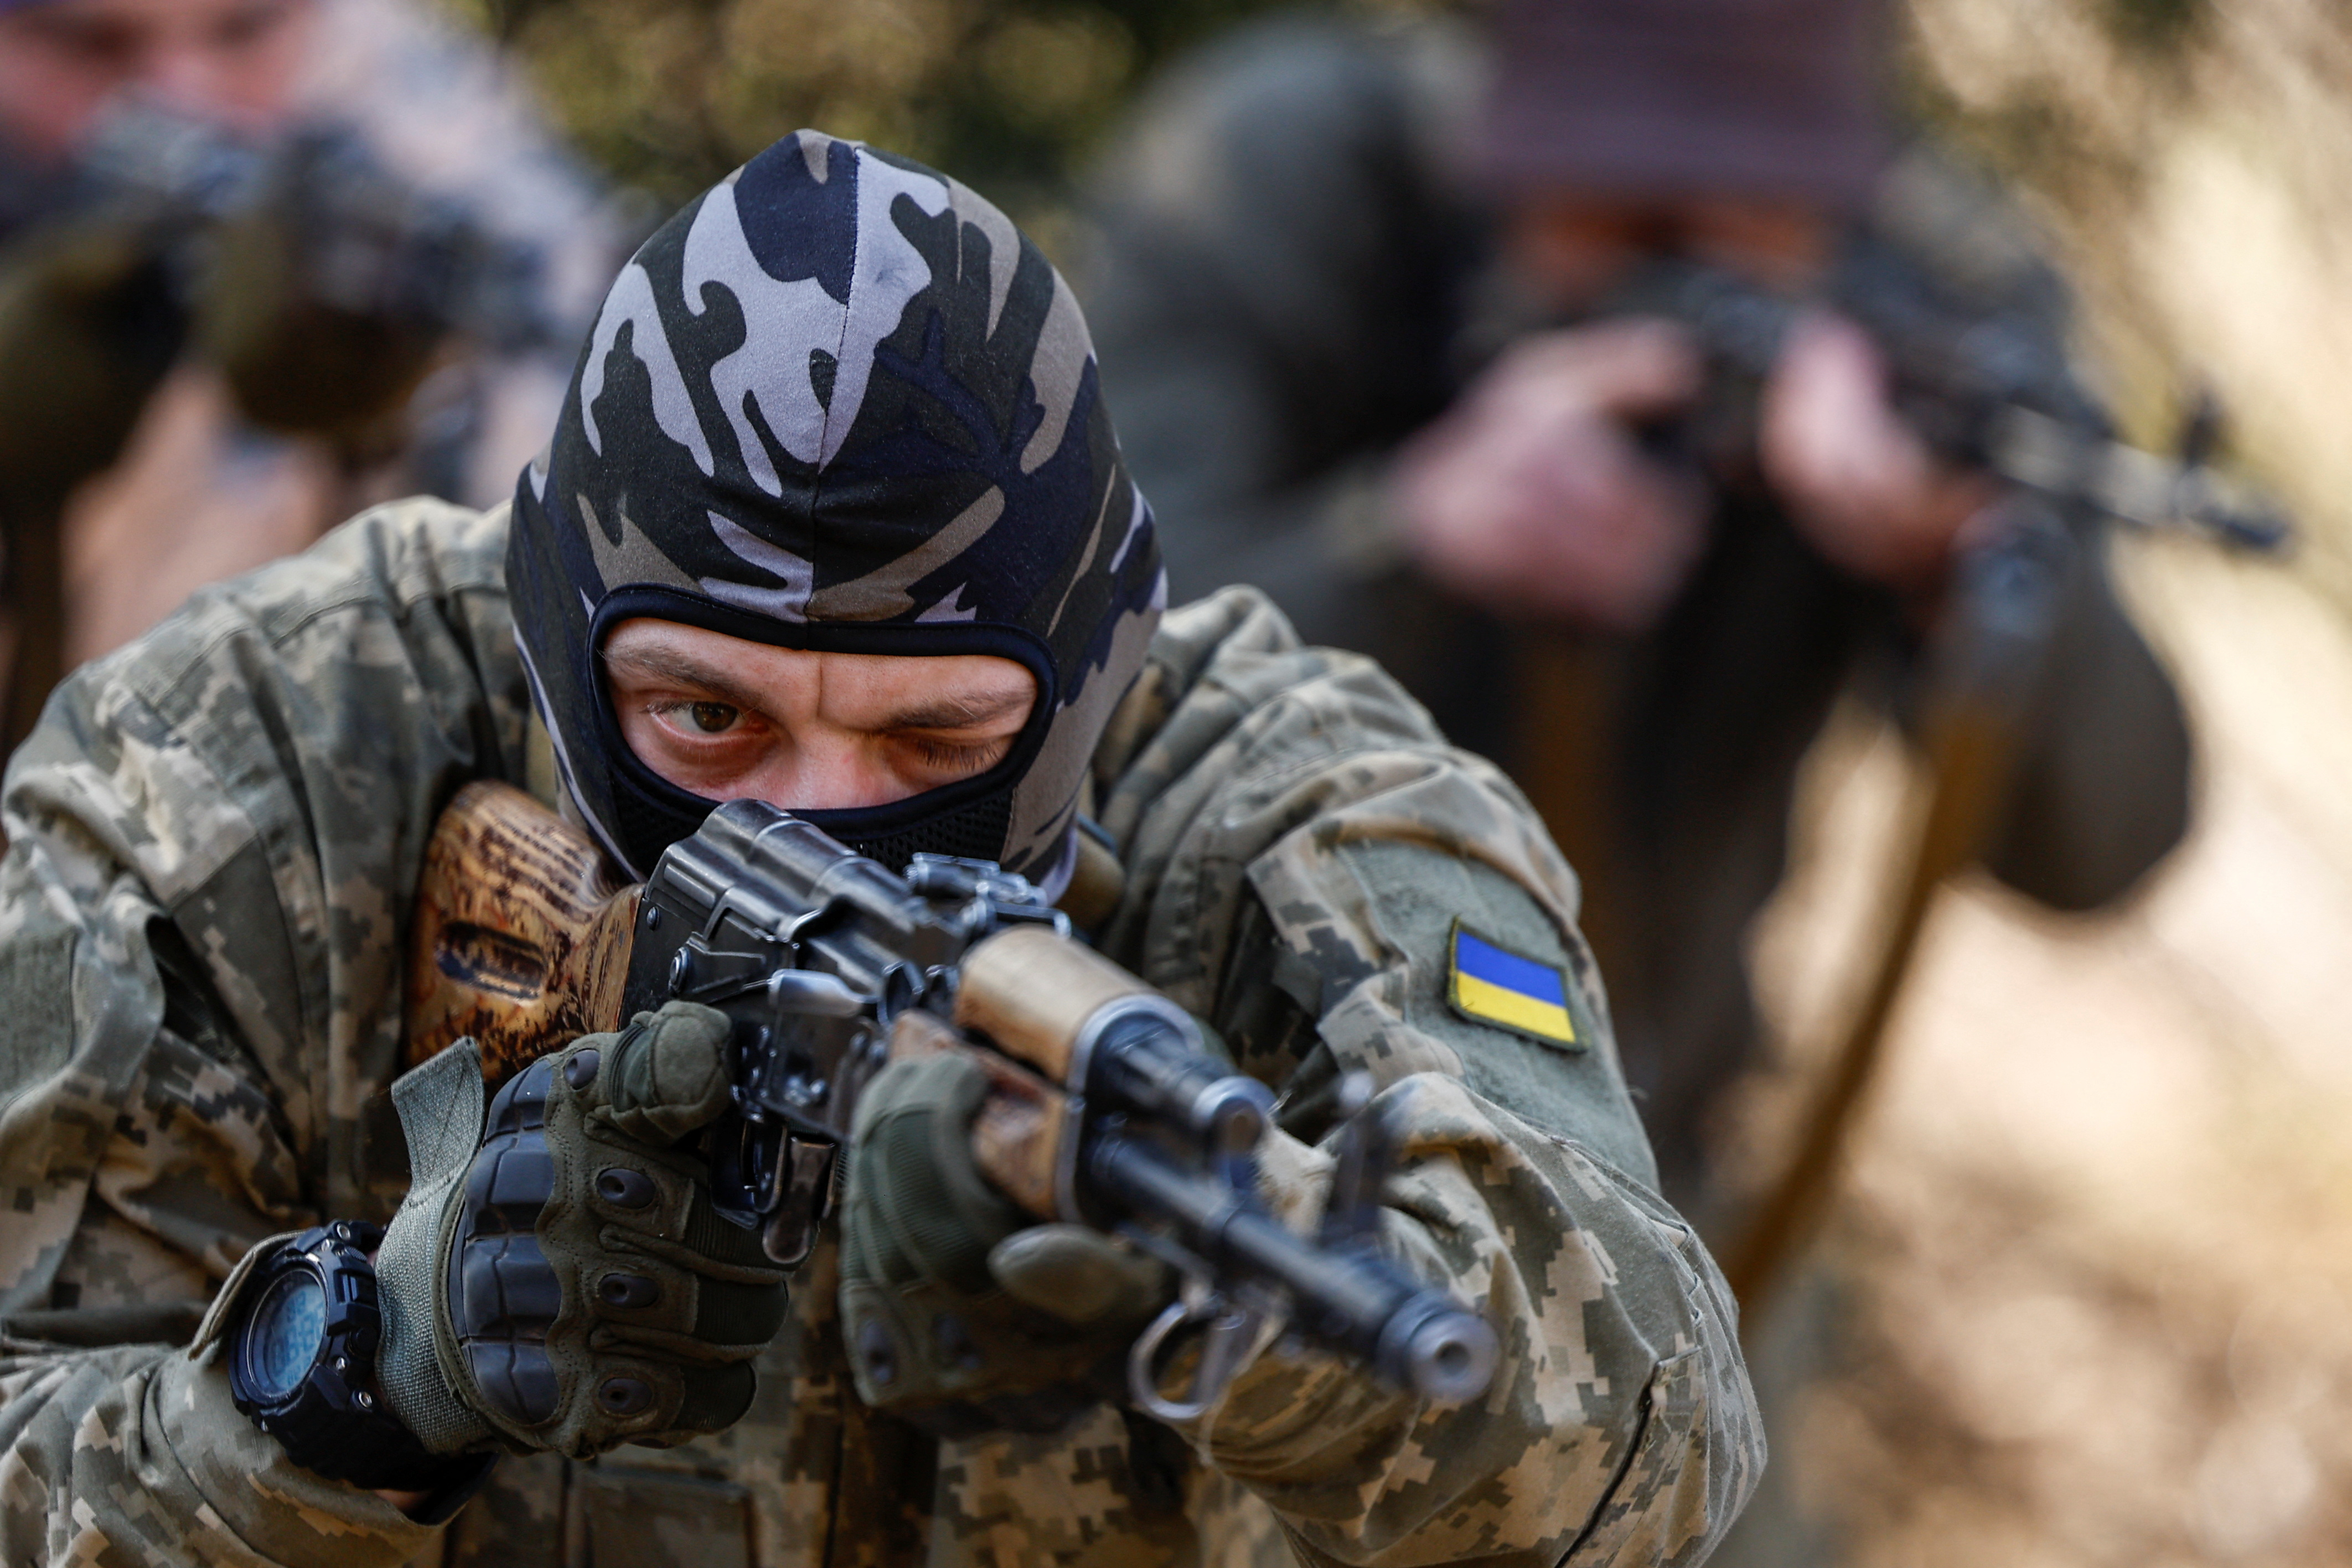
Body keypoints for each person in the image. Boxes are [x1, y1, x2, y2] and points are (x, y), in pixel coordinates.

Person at [0, 130, 1761, 1567]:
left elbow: (1655, 1446)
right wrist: (375, 1377)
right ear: (550, 626)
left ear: (1088, 684)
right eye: (706, 719)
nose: (817, 813)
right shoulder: (264, 754)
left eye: (938, 740)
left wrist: (1226, 1293)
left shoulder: (1293, 801)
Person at [1079, 0, 2194, 1219]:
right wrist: (1409, 537)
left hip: (1620, 1190)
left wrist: (1962, 583)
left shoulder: (1943, 319)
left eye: (1746, 221)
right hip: (1185, 1099)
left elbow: (2103, 847)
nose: (1679, 287)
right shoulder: (1292, 169)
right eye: (1628, 216)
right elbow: (1056, 694)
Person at [0, 0, 616, 751]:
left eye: (244, 31)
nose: (182, 95)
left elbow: (574, 444)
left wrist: (401, 405)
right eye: (88, 45)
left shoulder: (421, 144)